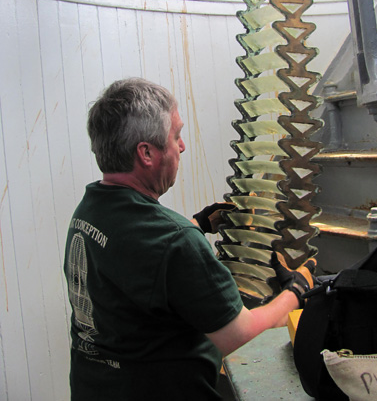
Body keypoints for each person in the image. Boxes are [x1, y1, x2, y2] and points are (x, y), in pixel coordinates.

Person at [64, 77, 316, 400]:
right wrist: (296, 290)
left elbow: (135, 260)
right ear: (146, 153)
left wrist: (197, 224)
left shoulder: (88, 212)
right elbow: (241, 337)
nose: (181, 146)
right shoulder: (176, 241)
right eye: (176, 136)